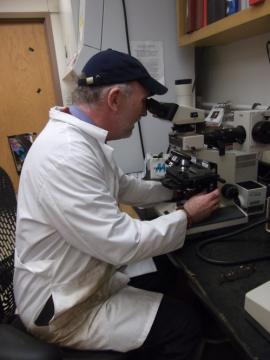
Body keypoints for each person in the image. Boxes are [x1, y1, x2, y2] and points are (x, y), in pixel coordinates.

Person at [14, 49, 220, 359]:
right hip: (63, 310)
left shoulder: (81, 139)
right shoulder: (67, 154)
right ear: (114, 99)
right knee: (183, 324)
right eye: (142, 102)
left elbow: (124, 186)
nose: (143, 113)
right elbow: (121, 242)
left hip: (77, 279)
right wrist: (187, 215)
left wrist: (174, 190)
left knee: (164, 272)